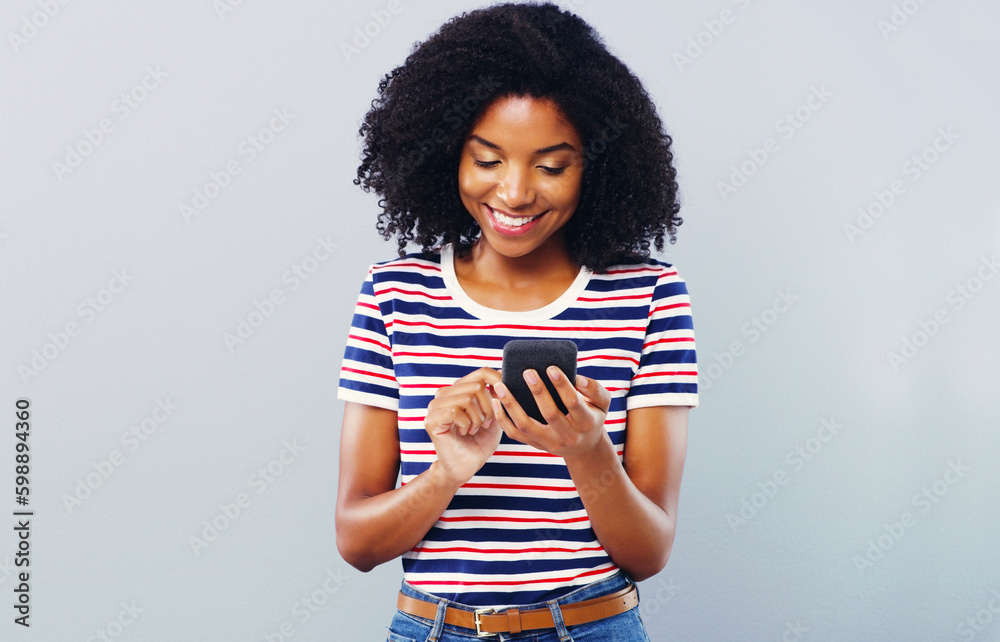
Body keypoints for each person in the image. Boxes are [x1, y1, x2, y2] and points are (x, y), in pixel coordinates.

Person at [336, 3, 698, 639]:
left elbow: (650, 553)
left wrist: (587, 452)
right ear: (447, 155)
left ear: (598, 167)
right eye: (487, 159)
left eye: (552, 166)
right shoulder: (396, 295)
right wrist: (448, 470)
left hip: (590, 626)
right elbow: (357, 542)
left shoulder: (649, 296)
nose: (514, 192)